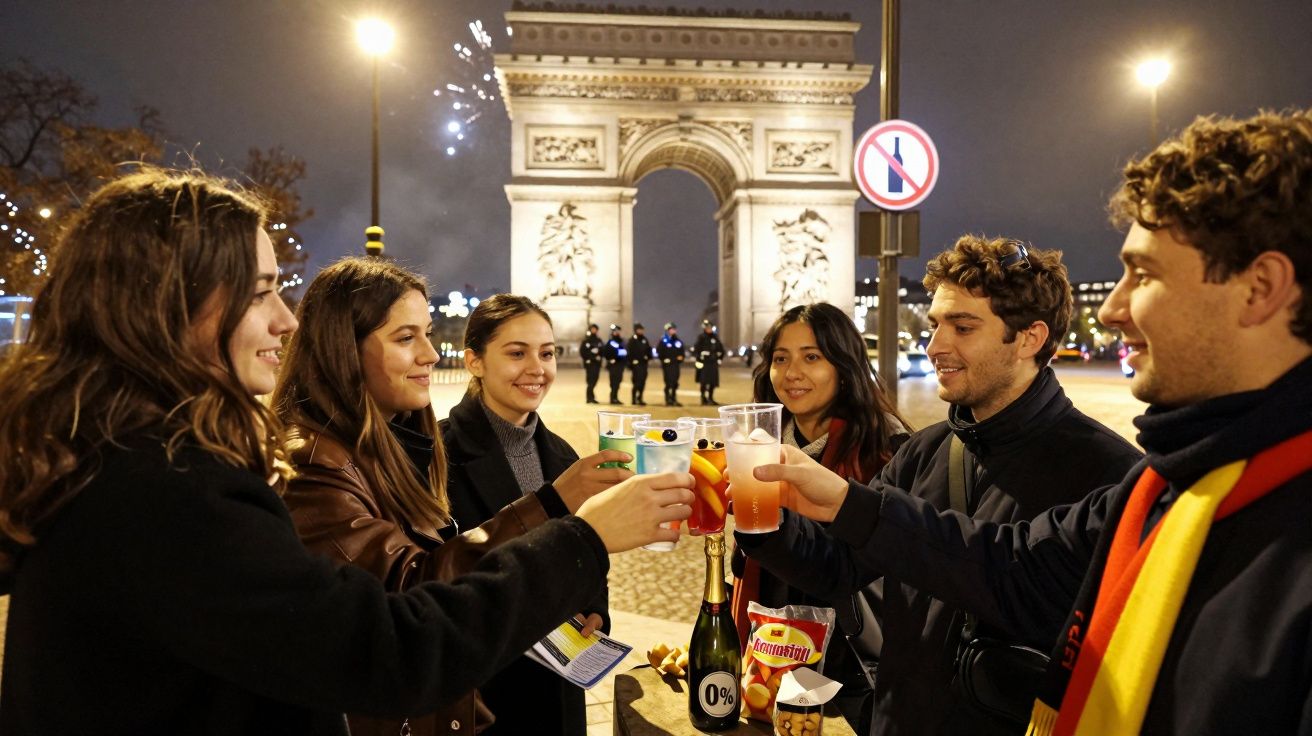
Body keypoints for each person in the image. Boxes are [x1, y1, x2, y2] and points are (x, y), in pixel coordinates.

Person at [0, 169, 693, 734]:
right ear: (167, 305)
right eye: (262, 292)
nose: (286, 318)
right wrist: (583, 536)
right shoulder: (169, 491)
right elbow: (390, 648)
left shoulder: (113, 463)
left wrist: (554, 504)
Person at [745, 109, 1312, 734]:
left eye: (1143, 274)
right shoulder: (1159, 486)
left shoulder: (1122, 473)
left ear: (1260, 287)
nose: (1116, 308)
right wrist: (779, 511)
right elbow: (1003, 564)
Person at [739, 242, 1142, 735]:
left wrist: (854, 505)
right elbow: (837, 568)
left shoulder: (1109, 473)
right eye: (935, 325)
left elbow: (1018, 583)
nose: (934, 346)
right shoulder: (924, 452)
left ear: (1030, 338)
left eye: (963, 327)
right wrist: (757, 517)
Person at [271, 260, 634, 736]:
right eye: (406, 338)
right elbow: (416, 595)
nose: (429, 353)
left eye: (546, 353)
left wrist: (590, 605)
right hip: (474, 685)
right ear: (344, 347)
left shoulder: (396, 443)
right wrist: (570, 525)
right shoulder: (320, 461)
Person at [441, 294, 622, 736]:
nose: (536, 369)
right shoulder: (437, 455)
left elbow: (586, 549)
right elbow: (436, 571)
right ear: (475, 361)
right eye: (516, 353)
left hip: (560, 685)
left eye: (546, 353)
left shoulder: (565, 456)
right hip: (485, 688)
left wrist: (597, 608)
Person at [728, 302, 912, 644]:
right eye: (780, 358)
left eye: (811, 357)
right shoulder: (756, 445)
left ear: (844, 367)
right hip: (766, 637)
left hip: (846, 648)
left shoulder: (888, 449)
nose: (791, 373)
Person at [694, 318, 726, 405]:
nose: (709, 329)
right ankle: (703, 398)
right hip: (704, 363)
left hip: (713, 363)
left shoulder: (715, 338)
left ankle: (711, 398)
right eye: (707, 327)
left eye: (710, 327)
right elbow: (696, 350)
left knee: (712, 382)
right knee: (703, 382)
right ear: (704, 328)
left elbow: (722, 350)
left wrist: (719, 359)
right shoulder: (701, 338)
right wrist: (699, 357)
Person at [657, 321, 685, 406]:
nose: (673, 331)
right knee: (668, 383)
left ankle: (673, 399)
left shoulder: (678, 341)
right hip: (667, 365)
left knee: (675, 382)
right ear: (668, 330)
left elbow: (681, 352)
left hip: (675, 365)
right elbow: (660, 352)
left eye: (674, 329)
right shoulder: (663, 340)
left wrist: (680, 358)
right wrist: (665, 360)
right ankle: (668, 399)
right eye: (672, 329)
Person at [626, 322, 652, 405]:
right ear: (636, 330)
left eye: (642, 330)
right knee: (636, 383)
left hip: (643, 364)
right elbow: (629, 353)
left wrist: (648, 357)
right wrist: (630, 363)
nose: (641, 331)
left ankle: (640, 398)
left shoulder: (645, 340)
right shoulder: (632, 340)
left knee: (642, 382)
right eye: (639, 330)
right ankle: (633, 399)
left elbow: (649, 350)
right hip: (636, 365)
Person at [602, 322, 627, 405]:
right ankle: (612, 398)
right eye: (615, 331)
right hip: (613, 365)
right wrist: (611, 359)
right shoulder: (610, 342)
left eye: (618, 331)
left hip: (620, 365)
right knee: (613, 382)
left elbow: (625, 352)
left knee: (618, 381)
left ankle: (615, 397)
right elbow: (606, 353)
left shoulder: (622, 342)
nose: (617, 332)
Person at [580, 322, 603, 404]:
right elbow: (583, 352)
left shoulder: (599, 340)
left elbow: (602, 350)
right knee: (590, 381)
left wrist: (599, 356)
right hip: (590, 364)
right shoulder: (586, 341)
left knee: (595, 380)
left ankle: (592, 397)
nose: (594, 330)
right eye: (592, 329)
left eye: (595, 329)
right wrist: (590, 357)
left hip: (597, 364)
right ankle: (589, 398)